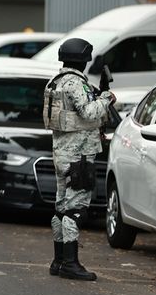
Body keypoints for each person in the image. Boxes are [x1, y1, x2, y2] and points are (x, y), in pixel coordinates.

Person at [43, 38, 115, 281]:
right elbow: (88, 111)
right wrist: (106, 98)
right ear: (84, 60)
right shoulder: (77, 84)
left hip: (61, 151)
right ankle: (70, 264)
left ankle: (59, 260)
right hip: (79, 155)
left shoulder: (55, 82)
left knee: (61, 207)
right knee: (75, 210)